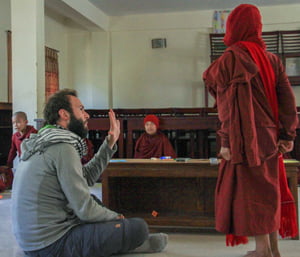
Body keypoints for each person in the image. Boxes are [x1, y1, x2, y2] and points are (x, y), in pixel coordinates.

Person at [12, 89, 168, 257]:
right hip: (50, 244)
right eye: (81, 109)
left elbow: (84, 178)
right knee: (139, 228)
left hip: (31, 241)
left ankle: (120, 240)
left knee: (95, 202)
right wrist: (116, 218)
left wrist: (109, 144)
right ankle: (132, 243)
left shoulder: (46, 139)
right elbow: (85, 209)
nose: (86, 115)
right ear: (64, 114)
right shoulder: (62, 147)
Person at [203, 4, 298, 257]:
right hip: (270, 137)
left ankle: (262, 250)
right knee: (269, 191)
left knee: (254, 196)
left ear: (234, 26)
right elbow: (288, 100)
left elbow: (226, 108)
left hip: (242, 138)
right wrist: (288, 135)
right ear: (257, 27)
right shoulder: (272, 59)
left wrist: (225, 142)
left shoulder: (230, 59)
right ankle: (273, 249)